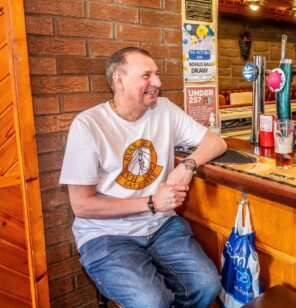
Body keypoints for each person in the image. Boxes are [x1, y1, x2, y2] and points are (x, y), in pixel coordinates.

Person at [59, 47, 227, 307]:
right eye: (146, 75)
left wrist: (188, 165)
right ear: (119, 81)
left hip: (161, 227)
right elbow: (81, 205)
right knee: (152, 302)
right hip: (106, 235)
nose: (157, 82)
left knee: (208, 285)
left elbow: (216, 142)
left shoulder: (164, 110)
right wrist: (151, 202)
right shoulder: (88, 125)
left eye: (156, 74)